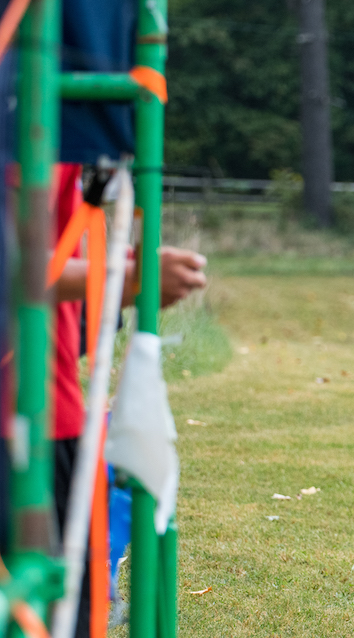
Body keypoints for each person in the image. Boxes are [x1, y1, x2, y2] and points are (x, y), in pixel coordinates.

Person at [51, 164, 207, 638]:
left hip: (49, 405)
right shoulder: (27, 130)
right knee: (67, 602)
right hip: (27, 415)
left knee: (73, 600)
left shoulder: (77, 163)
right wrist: (128, 276)